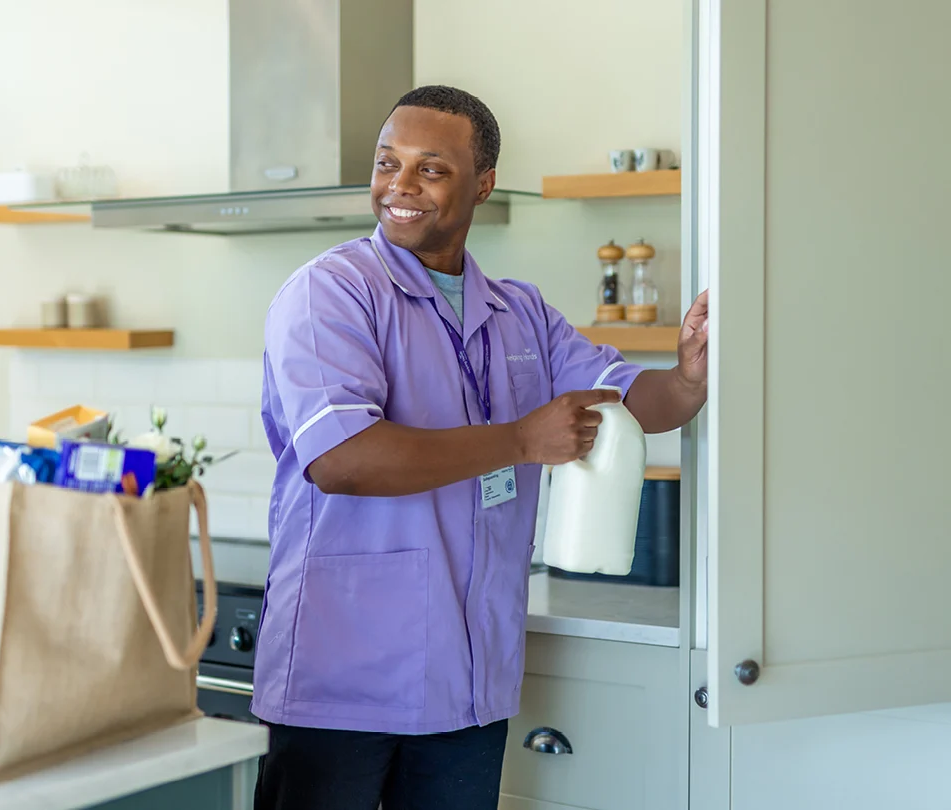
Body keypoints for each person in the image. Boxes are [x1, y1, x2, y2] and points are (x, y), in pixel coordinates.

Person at [252, 85, 708, 810]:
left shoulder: (519, 310)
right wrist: (523, 440)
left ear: (482, 184)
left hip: (469, 682)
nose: (399, 186)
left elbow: (627, 402)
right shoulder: (330, 294)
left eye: (429, 169)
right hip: (344, 681)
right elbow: (342, 459)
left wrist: (687, 378)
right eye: (386, 164)